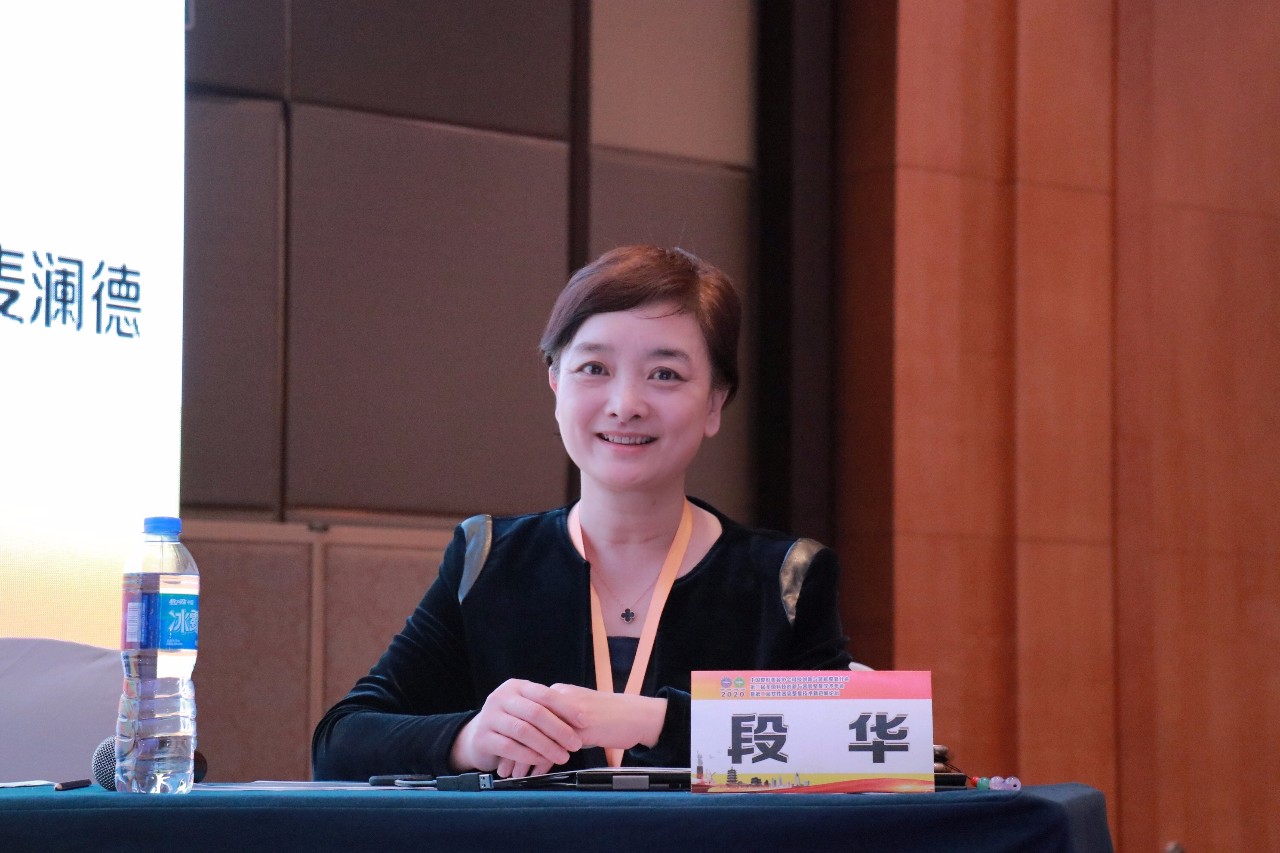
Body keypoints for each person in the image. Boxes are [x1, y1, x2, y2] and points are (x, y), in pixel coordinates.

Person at [311, 245, 853, 781]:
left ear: (715, 402)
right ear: (556, 384)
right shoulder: (490, 560)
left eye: (665, 374)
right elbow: (340, 743)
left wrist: (651, 721)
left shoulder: (785, 577)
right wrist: (470, 738)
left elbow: (852, 746)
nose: (625, 404)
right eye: (594, 368)